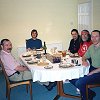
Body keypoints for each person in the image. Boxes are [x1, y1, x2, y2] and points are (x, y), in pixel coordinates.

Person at [69, 30, 100, 100]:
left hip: (98, 72)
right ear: (90, 37)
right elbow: (84, 56)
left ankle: (86, 97)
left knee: (80, 82)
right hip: (92, 69)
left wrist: (92, 72)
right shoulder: (91, 47)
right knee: (71, 77)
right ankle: (90, 93)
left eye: (96, 36)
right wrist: (84, 60)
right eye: (92, 36)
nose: (94, 38)